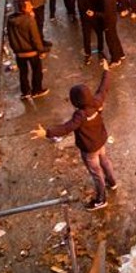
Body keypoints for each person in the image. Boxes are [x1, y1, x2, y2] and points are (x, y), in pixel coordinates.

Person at [31, 59, 117, 211]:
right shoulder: (96, 102)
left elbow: (66, 128)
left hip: (89, 149)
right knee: (105, 161)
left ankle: (101, 199)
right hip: (101, 141)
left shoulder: (80, 116)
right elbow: (104, 88)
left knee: (97, 174)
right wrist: (106, 71)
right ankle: (112, 182)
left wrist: (46, 133)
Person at [7, 0, 49, 99]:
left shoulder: (10, 20)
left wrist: (14, 49)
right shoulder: (29, 20)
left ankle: (25, 92)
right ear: (24, 9)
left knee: (23, 72)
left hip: (19, 52)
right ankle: (37, 90)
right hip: (31, 52)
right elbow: (35, 37)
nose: (31, 7)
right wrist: (41, 50)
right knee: (36, 71)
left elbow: (10, 36)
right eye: (29, 6)